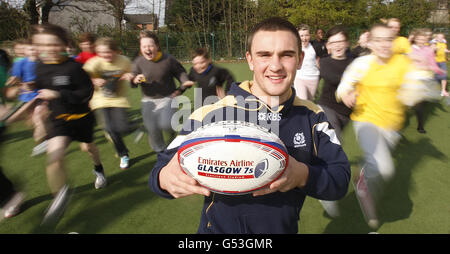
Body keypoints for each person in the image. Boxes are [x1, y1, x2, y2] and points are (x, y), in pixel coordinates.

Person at [149, 17, 351, 234]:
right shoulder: (211, 113)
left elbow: (339, 179)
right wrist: (164, 179)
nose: (275, 66)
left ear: (300, 59)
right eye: (264, 55)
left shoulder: (313, 116)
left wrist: (302, 174)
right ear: (250, 60)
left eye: (287, 55)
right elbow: (160, 171)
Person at [336, 23, 435, 229]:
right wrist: (346, 93)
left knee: (378, 170)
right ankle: (364, 183)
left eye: (388, 40)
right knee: (385, 168)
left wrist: (419, 81)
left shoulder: (403, 63)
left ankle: (364, 183)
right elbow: (345, 84)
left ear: (395, 41)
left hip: (393, 127)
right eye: (378, 40)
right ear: (370, 43)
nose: (384, 44)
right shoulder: (362, 64)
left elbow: (418, 87)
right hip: (366, 121)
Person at [31, 24, 107, 225]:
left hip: (82, 118)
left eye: (54, 44)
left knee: (88, 148)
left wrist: (58, 94)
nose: (49, 48)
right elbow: (40, 95)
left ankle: (98, 169)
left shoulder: (74, 68)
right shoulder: (39, 68)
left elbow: (86, 94)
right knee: (54, 157)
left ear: (63, 45)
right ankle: (60, 195)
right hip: (59, 120)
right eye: (44, 45)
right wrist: (39, 111)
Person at [125, 31, 194, 153]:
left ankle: (171, 133)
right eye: (144, 46)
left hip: (168, 97)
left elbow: (180, 72)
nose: (147, 49)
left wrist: (184, 81)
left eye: (150, 45)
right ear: (141, 49)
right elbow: (133, 77)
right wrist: (134, 79)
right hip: (148, 100)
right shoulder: (138, 62)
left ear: (157, 46)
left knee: (166, 124)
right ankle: (161, 151)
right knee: (152, 128)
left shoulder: (168, 59)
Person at [83, 37, 132, 169]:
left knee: (121, 128)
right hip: (100, 100)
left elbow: (133, 72)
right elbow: (80, 76)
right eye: (102, 53)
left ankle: (131, 126)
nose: (105, 55)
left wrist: (129, 76)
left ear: (116, 51)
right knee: (110, 129)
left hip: (119, 99)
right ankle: (123, 154)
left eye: (108, 52)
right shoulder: (94, 63)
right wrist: (93, 80)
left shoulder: (124, 61)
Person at [6, 41, 49, 156]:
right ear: (26, 51)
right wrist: (22, 85)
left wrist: (36, 83)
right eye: (30, 49)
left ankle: (45, 142)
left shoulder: (42, 62)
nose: (33, 51)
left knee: (39, 115)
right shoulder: (21, 63)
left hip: (40, 94)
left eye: (34, 49)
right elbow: (15, 79)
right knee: (34, 121)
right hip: (26, 96)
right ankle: (45, 141)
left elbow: (48, 77)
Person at [409, 29, 445, 133]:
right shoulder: (411, 49)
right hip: (413, 78)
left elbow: (432, 62)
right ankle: (418, 124)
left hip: (425, 78)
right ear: (415, 39)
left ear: (426, 39)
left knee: (420, 102)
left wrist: (437, 69)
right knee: (414, 102)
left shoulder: (428, 50)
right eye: (419, 39)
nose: (421, 41)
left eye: (423, 39)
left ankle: (420, 125)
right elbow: (407, 62)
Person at [293, 24, 320, 101]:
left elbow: (321, 61)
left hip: (313, 78)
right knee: (302, 101)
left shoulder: (315, 46)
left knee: (309, 103)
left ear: (310, 36)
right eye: (301, 36)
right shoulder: (295, 47)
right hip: (299, 78)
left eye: (306, 35)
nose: (304, 38)